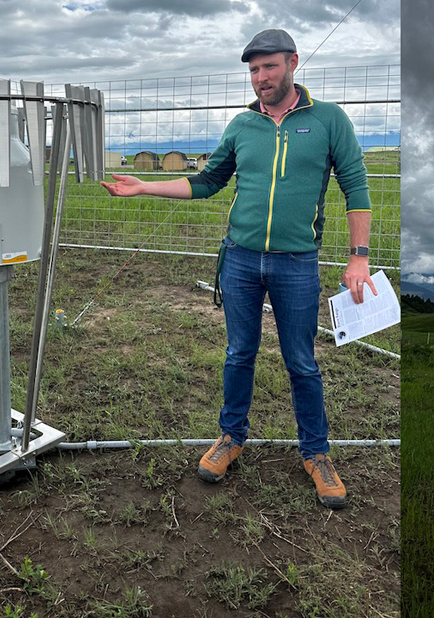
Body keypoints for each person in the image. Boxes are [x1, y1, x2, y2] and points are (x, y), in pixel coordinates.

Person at [100, 28, 376, 509]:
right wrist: (144, 187)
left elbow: (356, 187)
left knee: (302, 362)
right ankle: (231, 438)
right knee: (238, 353)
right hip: (242, 261)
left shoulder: (329, 120)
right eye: (253, 70)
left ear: (292, 63)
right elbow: (208, 182)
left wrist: (359, 256)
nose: (260, 77)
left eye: (269, 66)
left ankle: (316, 453)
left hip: (296, 264)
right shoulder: (241, 126)